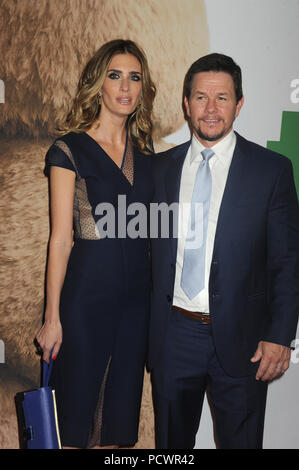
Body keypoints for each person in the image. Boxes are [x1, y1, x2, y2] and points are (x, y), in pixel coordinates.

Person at [149, 53, 299, 449]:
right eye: (201, 97)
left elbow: (287, 261)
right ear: (186, 103)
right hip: (173, 335)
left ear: (239, 104)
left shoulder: (272, 170)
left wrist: (280, 335)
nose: (211, 109)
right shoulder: (158, 170)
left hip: (246, 340)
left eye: (222, 98)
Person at [35, 39, 156, 449]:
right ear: (97, 84)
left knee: (116, 429)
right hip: (85, 304)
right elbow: (61, 240)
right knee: (74, 421)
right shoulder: (70, 150)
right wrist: (52, 318)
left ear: (143, 88)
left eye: (134, 77)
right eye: (115, 75)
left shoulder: (147, 154)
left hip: (135, 308)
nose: (125, 87)